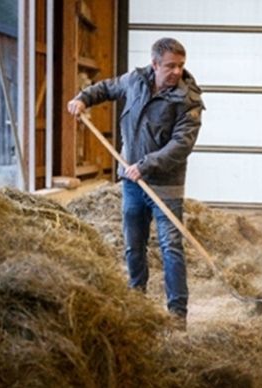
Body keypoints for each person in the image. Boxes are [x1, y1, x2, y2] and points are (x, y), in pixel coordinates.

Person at [67, 37, 204, 329]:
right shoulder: (135, 81)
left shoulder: (188, 100)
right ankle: (136, 301)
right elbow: (105, 88)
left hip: (165, 186)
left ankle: (177, 314)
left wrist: (146, 165)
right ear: (154, 64)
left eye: (181, 65)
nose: (177, 72)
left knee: (171, 247)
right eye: (170, 66)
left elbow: (181, 145)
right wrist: (82, 98)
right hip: (131, 182)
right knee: (133, 244)